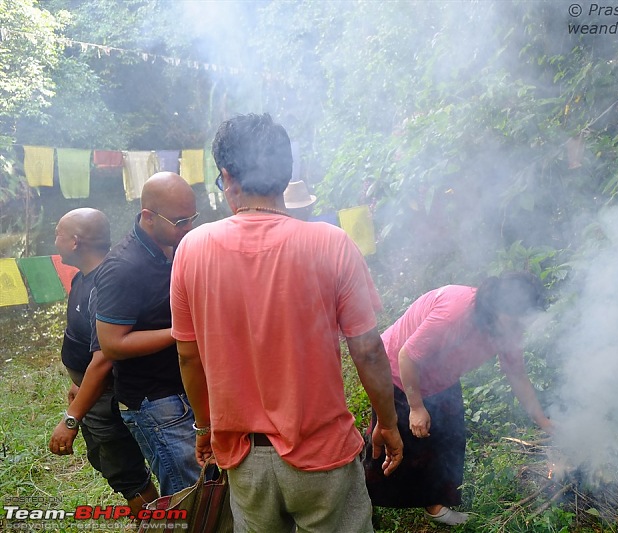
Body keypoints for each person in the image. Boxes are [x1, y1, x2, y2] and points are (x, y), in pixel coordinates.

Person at [171, 112, 403, 532]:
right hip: (323, 455)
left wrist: (204, 427)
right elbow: (367, 349)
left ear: (227, 176)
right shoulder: (330, 243)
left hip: (243, 457)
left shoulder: (192, 248)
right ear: (286, 172)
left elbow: (189, 357)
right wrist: (386, 423)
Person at [364, 273, 553, 526]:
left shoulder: (508, 327)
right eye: (519, 318)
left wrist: (542, 420)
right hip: (397, 374)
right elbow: (406, 356)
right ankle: (362, 501)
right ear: (499, 306)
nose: (522, 326)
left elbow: (516, 373)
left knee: (447, 439)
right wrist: (417, 407)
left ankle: (434, 505)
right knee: (393, 441)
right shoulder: (454, 310)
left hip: (442, 376)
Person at [93, 172, 201, 496]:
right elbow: (111, 345)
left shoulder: (176, 246)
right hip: (154, 403)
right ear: (148, 217)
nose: (189, 229)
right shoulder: (123, 267)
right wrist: (181, 332)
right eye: (181, 221)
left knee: (211, 486)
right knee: (191, 495)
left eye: (192, 219)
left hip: (185, 387)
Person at [48, 208, 158, 515]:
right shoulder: (82, 279)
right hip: (90, 390)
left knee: (127, 473)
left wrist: (71, 419)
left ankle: (155, 522)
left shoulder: (103, 286)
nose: (53, 239)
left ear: (75, 242)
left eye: (58, 233)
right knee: (114, 466)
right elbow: (86, 343)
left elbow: (104, 359)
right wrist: (77, 381)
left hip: (105, 396)